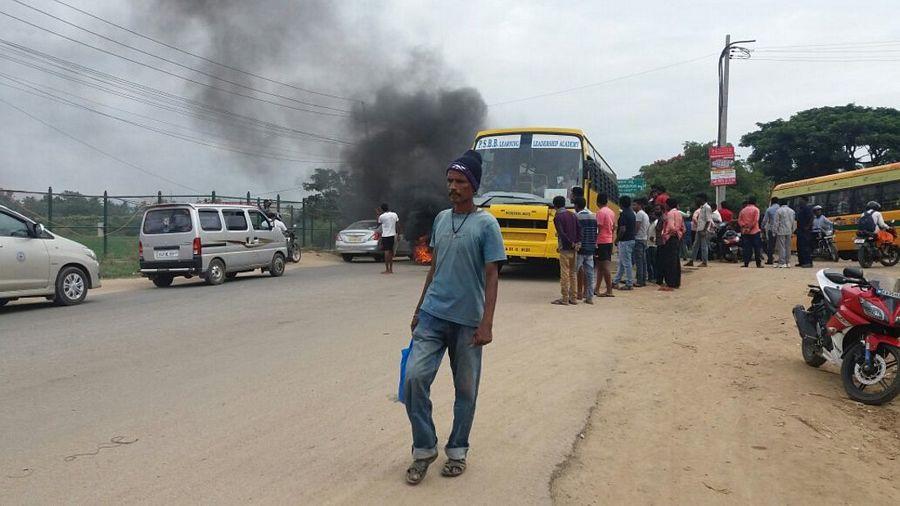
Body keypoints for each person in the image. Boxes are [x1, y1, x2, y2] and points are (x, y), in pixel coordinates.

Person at [404, 150, 505, 485]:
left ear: (473, 185)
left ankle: (458, 450)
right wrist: (419, 309)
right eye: (450, 180)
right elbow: (434, 266)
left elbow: (492, 276)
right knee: (414, 379)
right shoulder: (441, 219)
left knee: (466, 391)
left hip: (468, 322)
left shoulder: (487, 224)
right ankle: (424, 449)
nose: (453, 186)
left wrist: (487, 323)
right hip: (433, 316)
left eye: (460, 181)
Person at [552, 195, 580, 305]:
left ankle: (564, 298)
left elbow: (562, 234)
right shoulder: (572, 215)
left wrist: (569, 243)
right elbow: (579, 229)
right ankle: (573, 298)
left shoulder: (557, 217)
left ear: (555, 206)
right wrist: (577, 243)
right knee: (573, 273)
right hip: (575, 248)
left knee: (564, 273)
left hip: (565, 248)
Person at [574, 197, 597, 304]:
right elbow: (596, 232)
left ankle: (574, 295)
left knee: (574, 272)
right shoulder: (593, 216)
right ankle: (589, 297)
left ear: (577, 206)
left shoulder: (577, 216)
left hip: (580, 249)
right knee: (590, 274)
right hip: (590, 248)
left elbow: (576, 233)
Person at [659, 198, 684, 291]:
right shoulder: (679, 213)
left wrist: (667, 234)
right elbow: (682, 227)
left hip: (670, 238)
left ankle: (670, 283)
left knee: (669, 262)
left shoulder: (670, 214)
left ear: (668, 205)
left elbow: (671, 226)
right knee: (675, 261)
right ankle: (676, 282)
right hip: (677, 237)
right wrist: (678, 233)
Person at [594, 193, 616, 298]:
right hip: (609, 240)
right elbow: (614, 227)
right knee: (601, 267)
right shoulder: (611, 212)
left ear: (597, 202)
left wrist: (594, 241)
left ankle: (609, 290)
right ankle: (597, 288)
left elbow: (598, 228)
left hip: (601, 241)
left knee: (604, 267)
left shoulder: (600, 213)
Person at [612, 195, 636, 290]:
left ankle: (629, 283)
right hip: (630, 239)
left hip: (625, 241)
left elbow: (622, 229)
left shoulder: (624, 214)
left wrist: (617, 239)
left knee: (626, 263)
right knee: (622, 262)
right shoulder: (632, 213)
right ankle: (615, 281)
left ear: (621, 204)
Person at [686, 193, 712, 267]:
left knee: (704, 246)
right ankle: (691, 260)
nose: (697, 200)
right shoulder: (702, 208)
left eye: (698, 198)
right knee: (695, 245)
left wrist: (704, 230)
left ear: (702, 199)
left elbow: (708, 220)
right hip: (699, 228)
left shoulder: (707, 207)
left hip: (703, 229)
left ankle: (704, 262)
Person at [738, 196, 763, 268]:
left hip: (745, 232)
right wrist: (750, 227)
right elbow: (756, 220)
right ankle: (758, 264)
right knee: (757, 248)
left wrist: (744, 227)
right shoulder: (756, 210)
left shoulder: (743, 210)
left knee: (746, 248)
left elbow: (739, 221)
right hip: (755, 231)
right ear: (755, 202)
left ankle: (746, 263)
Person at [377, 203, 400, 274]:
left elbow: (378, 223)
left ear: (381, 209)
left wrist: (378, 214)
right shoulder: (394, 214)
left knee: (386, 252)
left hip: (385, 236)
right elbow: (398, 225)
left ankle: (387, 269)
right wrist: (398, 234)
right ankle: (391, 269)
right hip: (393, 235)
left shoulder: (382, 216)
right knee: (391, 252)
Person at [632, 198, 650, 287]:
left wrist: (633, 235)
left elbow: (637, 226)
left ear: (639, 205)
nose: (633, 207)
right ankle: (643, 279)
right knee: (643, 261)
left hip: (638, 239)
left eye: (635, 205)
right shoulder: (645, 214)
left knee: (639, 261)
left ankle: (639, 281)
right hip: (644, 239)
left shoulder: (639, 214)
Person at [773, 199, 796, 268]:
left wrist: (774, 231)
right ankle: (788, 262)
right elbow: (793, 222)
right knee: (788, 246)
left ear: (780, 204)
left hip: (781, 231)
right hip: (789, 231)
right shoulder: (792, 211)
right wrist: (792, 230)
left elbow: (776, 222)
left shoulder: (778, 211)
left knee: (782, 247)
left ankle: (782, 262)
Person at [795, 196, 814, 268]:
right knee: (800, 246)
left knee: (805, 247)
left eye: (801, 200)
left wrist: (808, 227)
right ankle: (802, 262)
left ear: (805, 201)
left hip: (805, 231)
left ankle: (808, 262)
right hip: (800, 230)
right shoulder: (800, 209)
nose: (799, 201)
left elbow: (811, 218)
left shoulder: (807, 208)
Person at [761, 197, 780, 265]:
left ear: (771, 202)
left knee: (770, 245)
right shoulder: (781, 209)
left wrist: (762, 227)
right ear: (778, 202)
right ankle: (781, 259)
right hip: (781, 229)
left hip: (772, 229)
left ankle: (770, 260)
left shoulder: (769, 209)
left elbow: (764, 220)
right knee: (781, 245)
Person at [646, 206, 659, 283]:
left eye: (653, 214)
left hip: (654, 245)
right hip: (648, 244)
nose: (652, 215)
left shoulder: (657, 222)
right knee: (649, 262)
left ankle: (655, 276)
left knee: (654, 262)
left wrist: (655, 239)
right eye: (651, 214)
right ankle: (650, 276)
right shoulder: (649, 222)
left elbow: (660, 233)